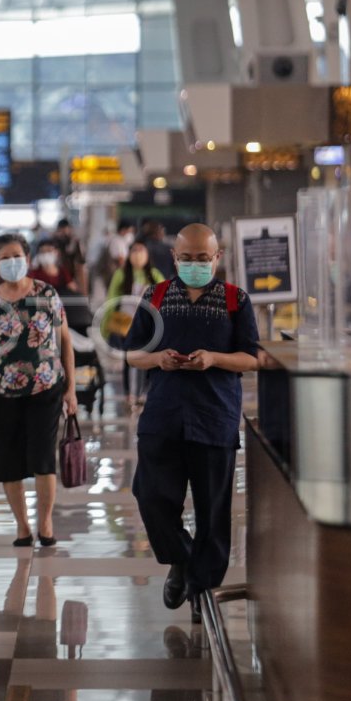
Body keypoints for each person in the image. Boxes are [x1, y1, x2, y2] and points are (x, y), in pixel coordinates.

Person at [123, 224, 260, 623]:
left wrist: (215, 359)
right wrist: (158, 358)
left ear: (218, 258)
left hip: (214, 416)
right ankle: (181, 559)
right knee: (150, 495)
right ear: (175, 258)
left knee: (213, 511)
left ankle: (202, 591)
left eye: (204, 258)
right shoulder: (157, 295)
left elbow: (251, 358)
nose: (196, 264)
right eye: (188, 258)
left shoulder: (236, 300)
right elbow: (132, 354)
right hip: (163, 415)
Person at [0, 234, 77, 547]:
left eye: (17, 255)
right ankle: (22, 526)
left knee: (43, 458)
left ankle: (45, 523)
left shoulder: (46, 293)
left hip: (46, 387)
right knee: (7, 461)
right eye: (5, 257)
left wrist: (71, 390)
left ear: (27, 259)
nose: (12, 262)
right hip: (3, 391)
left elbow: (64, 341)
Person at [102, 240, 166, 401]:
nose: (138, 254)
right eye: (134, 250)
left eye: (141, 250)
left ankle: (142, 393)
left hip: (148, 324)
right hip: (125, 324)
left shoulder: (154, 274)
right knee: (130, 360)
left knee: (146, 359)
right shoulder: (121, 274)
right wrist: (105, 328)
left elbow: (165, 298)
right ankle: (131, 394)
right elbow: (111, 300)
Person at [53, 219, 87, 294]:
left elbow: (81, 263)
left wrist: (83, 289)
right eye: (61, 230)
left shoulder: (75, 242)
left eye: (65, 229)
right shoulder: (55, 242)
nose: (63, 232)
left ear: (70, 229)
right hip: (59, 276)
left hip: (73, 275)